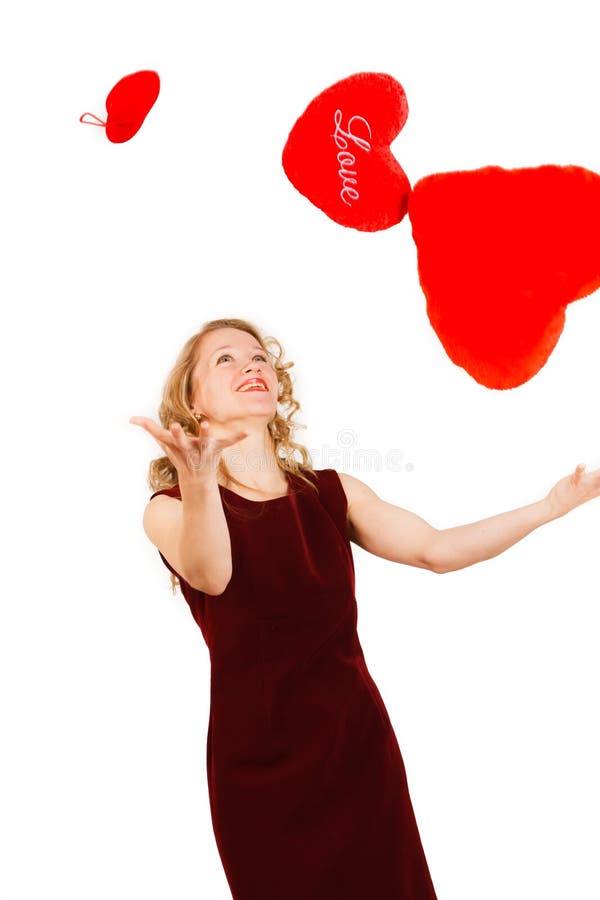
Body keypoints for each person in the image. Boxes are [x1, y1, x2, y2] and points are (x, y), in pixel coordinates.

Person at [130, 316, 600, 900]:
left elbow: (437, 549)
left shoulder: (333, 493)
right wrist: (200, 483)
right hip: (260, 772)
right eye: (224, 359)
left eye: (258, 358)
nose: (250, 366)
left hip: (358, 754)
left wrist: (550, 507)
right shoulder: (169, 509)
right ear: (192, 402)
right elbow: (214, 573)